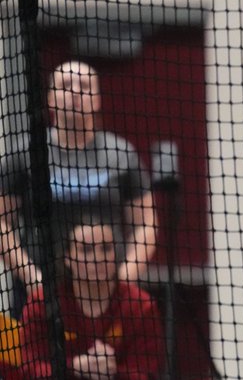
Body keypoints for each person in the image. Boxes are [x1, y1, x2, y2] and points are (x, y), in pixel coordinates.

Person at [13, 212, 168, 380]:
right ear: (69, 258)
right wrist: (73, 367)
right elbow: (29, 366)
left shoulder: (141, 305)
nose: (96, 257)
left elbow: (147, 370)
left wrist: (114, 372)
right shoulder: (42, 304)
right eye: (85, 249)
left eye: (105, 248)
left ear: (116, 254)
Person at [0, 61, 157, 316]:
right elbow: (2, 222)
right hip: (41, 297)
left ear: (96, 100)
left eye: (84, 86)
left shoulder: (121, 154)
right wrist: (32, 279)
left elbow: (147, 224)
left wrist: (124, 278)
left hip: (107, 299)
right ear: (51, 98)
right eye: (65, 85)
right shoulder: (26, 153)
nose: (74, 92)